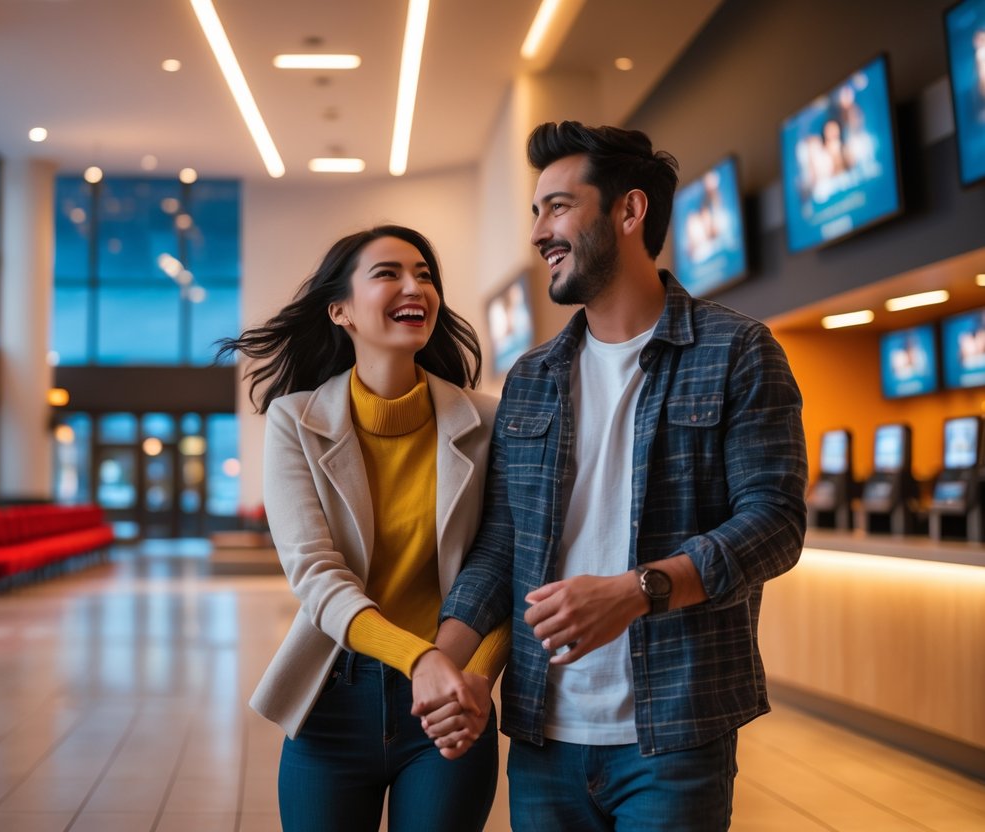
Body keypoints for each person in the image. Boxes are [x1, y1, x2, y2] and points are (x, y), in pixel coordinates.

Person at [432, 122, 808, 830]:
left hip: (675, 732)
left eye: (557, 207)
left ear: (628, 212)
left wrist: (638, 592)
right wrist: (445, 660)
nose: (540, 232)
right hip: (544, 732)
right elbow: (501, 544)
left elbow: (775, 525)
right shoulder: (532, 378)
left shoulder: (737, 351)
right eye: (536, 212)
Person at [217, 224, 510, 831]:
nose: (416, 287)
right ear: (340, 310)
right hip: (333, 700)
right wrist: (418, 658)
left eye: (425, 274)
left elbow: (510, 563)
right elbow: (316, 575)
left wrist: (476, 676)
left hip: (449, 702)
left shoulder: (486, 421)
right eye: (389, 273)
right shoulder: (294, 420)